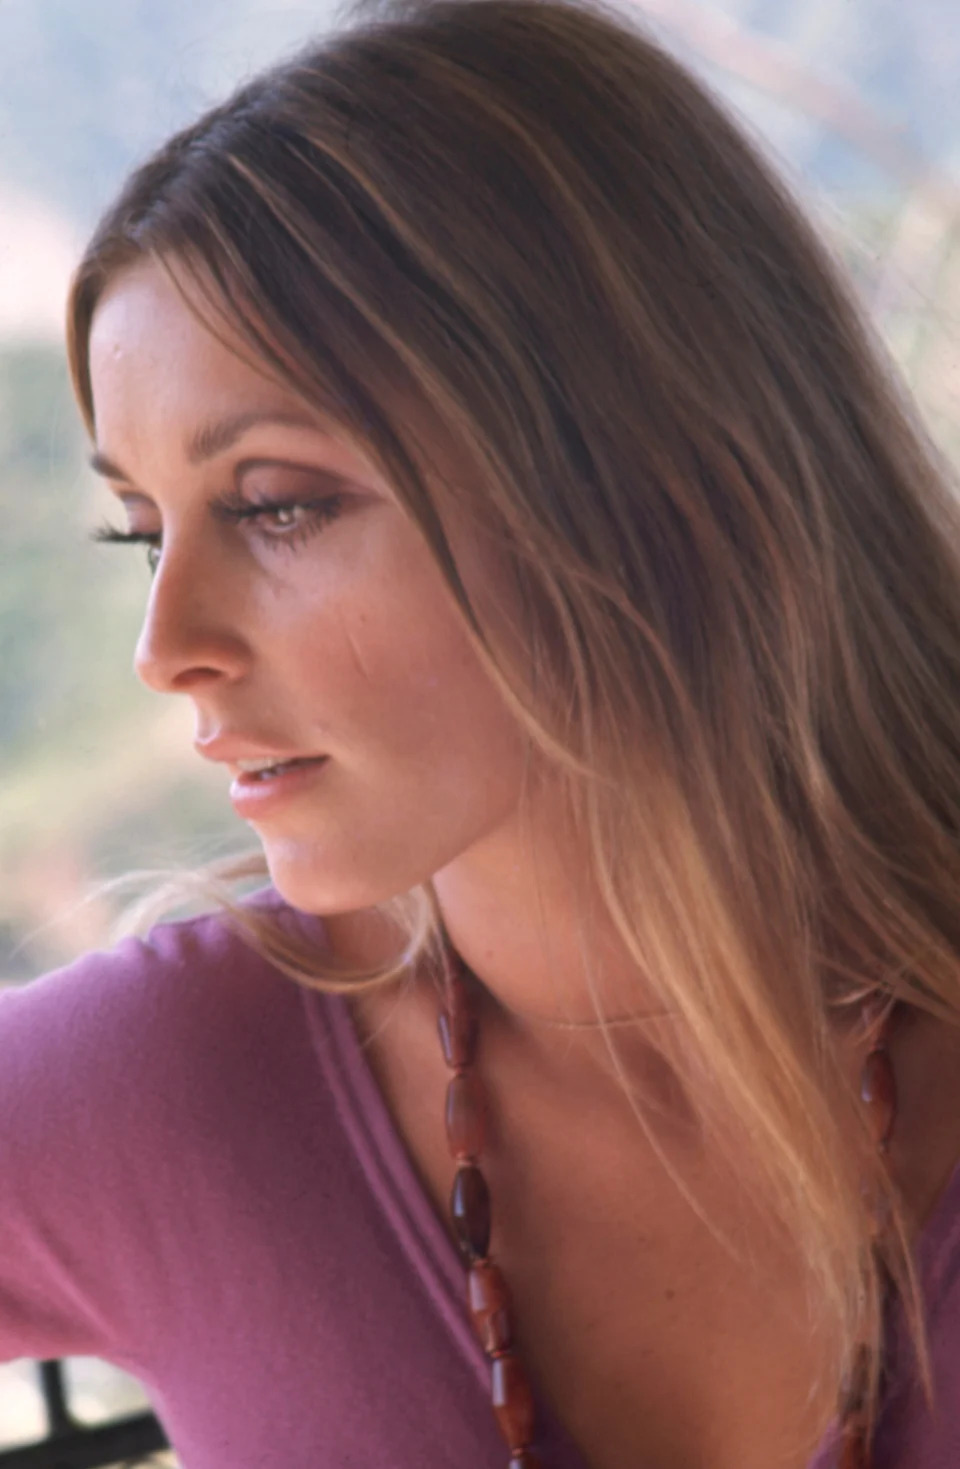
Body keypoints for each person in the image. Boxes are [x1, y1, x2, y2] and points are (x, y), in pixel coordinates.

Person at [2, 0, 960, 1464]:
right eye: (141, 532)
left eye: (276, 505)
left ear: (649, 473)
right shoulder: (172, 1089)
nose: (166, 648)